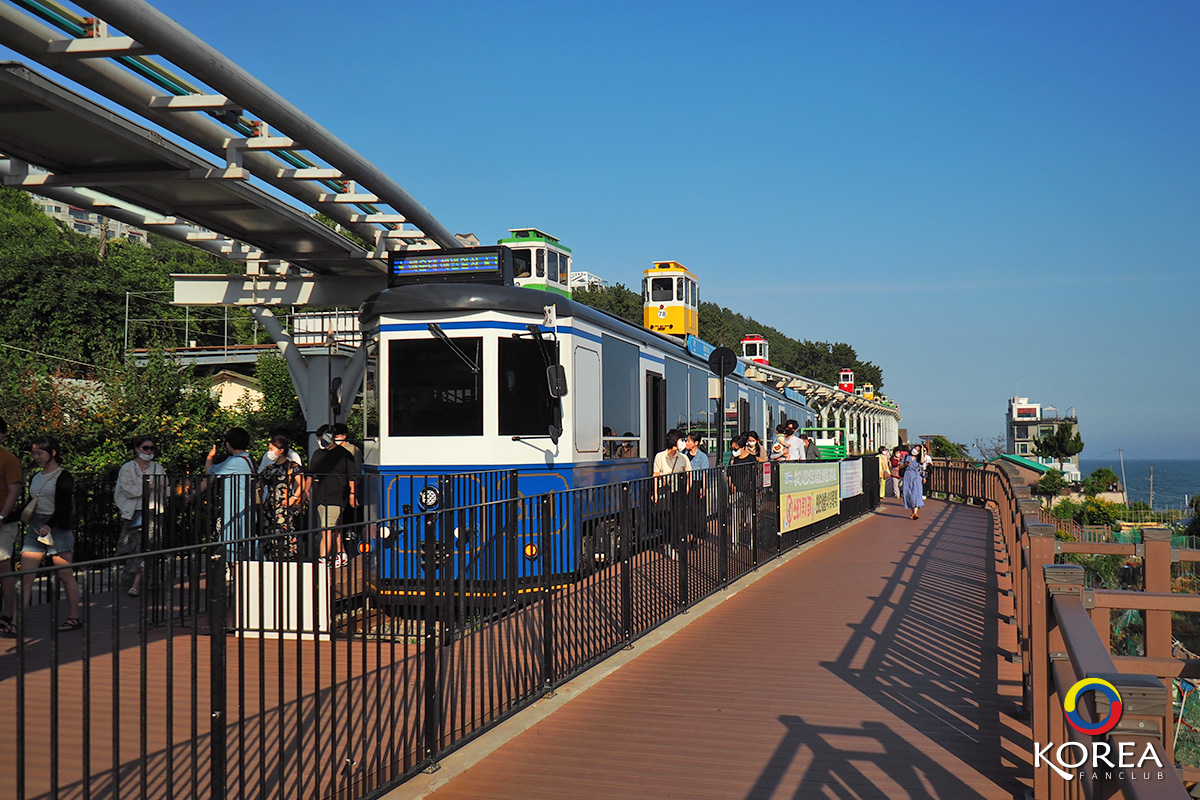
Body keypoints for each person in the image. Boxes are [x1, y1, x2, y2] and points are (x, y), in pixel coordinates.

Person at [15, 435, 81, 632]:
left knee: (65, 573)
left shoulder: (63, 476)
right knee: (26, 575)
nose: (36, 457)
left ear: (52, 453)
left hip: (57, 528)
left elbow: (64, 506)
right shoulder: (36, 477)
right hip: (36, 526)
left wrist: (50, 525)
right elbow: (30, 505)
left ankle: (73, 617)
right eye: (34, 453)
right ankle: (16, 622)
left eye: (40, 453)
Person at [113, 435, 168, 597]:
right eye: (145, 448)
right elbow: (127, 490)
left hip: (152, 511)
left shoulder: (158, 468)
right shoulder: (128, 468)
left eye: (152, 448)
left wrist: (148, 487)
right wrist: (149, 487)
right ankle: (139, 580)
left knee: (145, 546)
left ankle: (136, 583)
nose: (149, 451)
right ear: (137, 449)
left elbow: (164, 487)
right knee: (130, 547)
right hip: (134, 513)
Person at [308, 423, 358, 568]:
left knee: (326, 529)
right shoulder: (318, 454)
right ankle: (341, 554)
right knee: (333, 528)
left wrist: (352, 494)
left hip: (337, 496)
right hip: (321, 497)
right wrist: (306, 492)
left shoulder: (345, 454)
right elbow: (311, 474)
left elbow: (352, 477)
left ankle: (323, 558)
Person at [205, 427, 256, 562]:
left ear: (228, 443)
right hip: (246, 505)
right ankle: (252, 566)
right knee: (248, 538)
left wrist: (210, 456)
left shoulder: (234, 461)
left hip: (235, 506)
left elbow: (209, 472)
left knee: (230, 538)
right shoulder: (247, 459)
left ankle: (232, 568)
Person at [258, 433, 304, 560]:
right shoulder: (269, 468)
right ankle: (272, 556)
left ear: (281, 450)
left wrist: (294, 498)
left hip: (284, 504)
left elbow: (301, 484)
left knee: (284, 530)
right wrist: (261, 498)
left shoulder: (292, 466)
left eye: (271, 449)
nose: (269, 453)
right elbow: (260, 484)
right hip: (270, 504)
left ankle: (287, 556)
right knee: (270, 532)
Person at [651, 429, 691, 560]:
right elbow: (656, 475)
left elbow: (689, 473)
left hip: (677, 492)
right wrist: (655, 492)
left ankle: (674, 546)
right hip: (665, 493)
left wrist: (686, 489)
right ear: (674, 441)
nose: (683, 443)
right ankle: (668, 544)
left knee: (676, 521)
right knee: (666, 521)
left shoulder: (683, 457)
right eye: (681, 440)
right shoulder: (660, 456)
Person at [0, 418, 22, 636]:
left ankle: (7, 615)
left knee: (3, 566)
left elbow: (13, 490)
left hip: (4, 522)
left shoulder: (8, 459)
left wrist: (1, 515)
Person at [901, 444, 926, 520]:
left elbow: (922, 461)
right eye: (915, 448)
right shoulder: (906, 457)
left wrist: (922, 450)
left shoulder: (918, 459)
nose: (915, 450)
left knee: (915, 493)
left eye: (918, 449)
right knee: (908, 494)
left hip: (916, 477)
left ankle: (915, 513)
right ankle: (913, 512)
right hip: (907, 476)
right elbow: (900, 466)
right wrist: (905, 464)